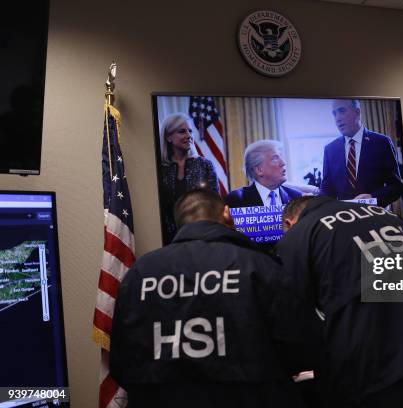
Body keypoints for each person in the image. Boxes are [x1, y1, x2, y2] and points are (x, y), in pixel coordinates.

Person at [110, 189, 309, 408]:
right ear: (226, 213)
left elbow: (122, 359)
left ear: (180, 223)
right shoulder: (258, 265)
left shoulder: (140, 273)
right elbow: (296, 349)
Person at [277, 196, 403, 408]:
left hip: (376, 372)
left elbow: (293, 312)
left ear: (289, 223)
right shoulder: (387, 216)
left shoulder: (298, 236)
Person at [319, 99, 403, 208]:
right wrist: (314, 204)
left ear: (357, 112)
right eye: (334, 114)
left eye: (342, 111)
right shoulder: (330, 149)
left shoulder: (381, 142)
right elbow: (327, 189)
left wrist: (372, 198)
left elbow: (396, 186)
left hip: (375, 215)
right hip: (344, 218)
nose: (338, 118)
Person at [159, 113, 218, 243]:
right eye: (182, 131)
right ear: (168, 137)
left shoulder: (205, 165)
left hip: (204, 238)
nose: (189, 136)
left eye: (190, 131)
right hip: (169, 241)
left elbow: (215, 204)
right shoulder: (160, 169)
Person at [225, 140, 302, 208]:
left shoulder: (296, 197)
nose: (283, 163)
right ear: (259, 170)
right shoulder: (237, 199)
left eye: (281, 157)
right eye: (275, 158)